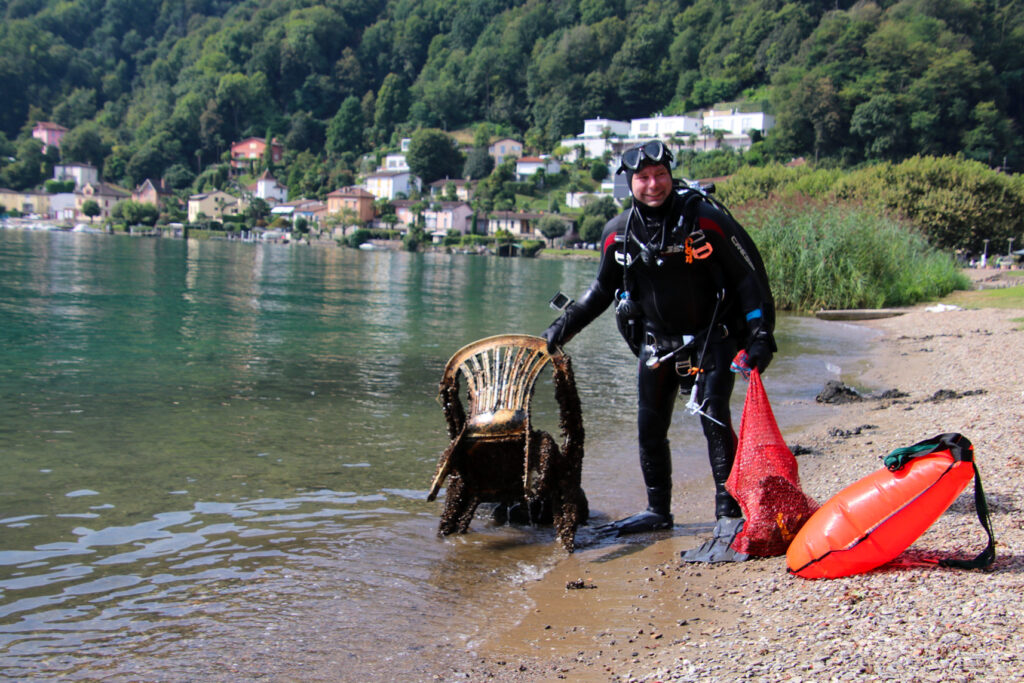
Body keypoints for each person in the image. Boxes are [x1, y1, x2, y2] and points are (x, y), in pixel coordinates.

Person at [541, 140, 775, 562]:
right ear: (628, 183)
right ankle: (657, 510)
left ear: (671, 175)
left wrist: (760, 336)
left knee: (713, 418)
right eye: (643, 178)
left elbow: (748, 279)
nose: (653, 185)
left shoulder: (704, 219)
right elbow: (599, 293)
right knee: (649, 430)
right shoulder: (617, 232)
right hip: (655, 344)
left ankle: (728, 514)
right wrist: (560, 329)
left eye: (661, 175)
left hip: (711, 338)